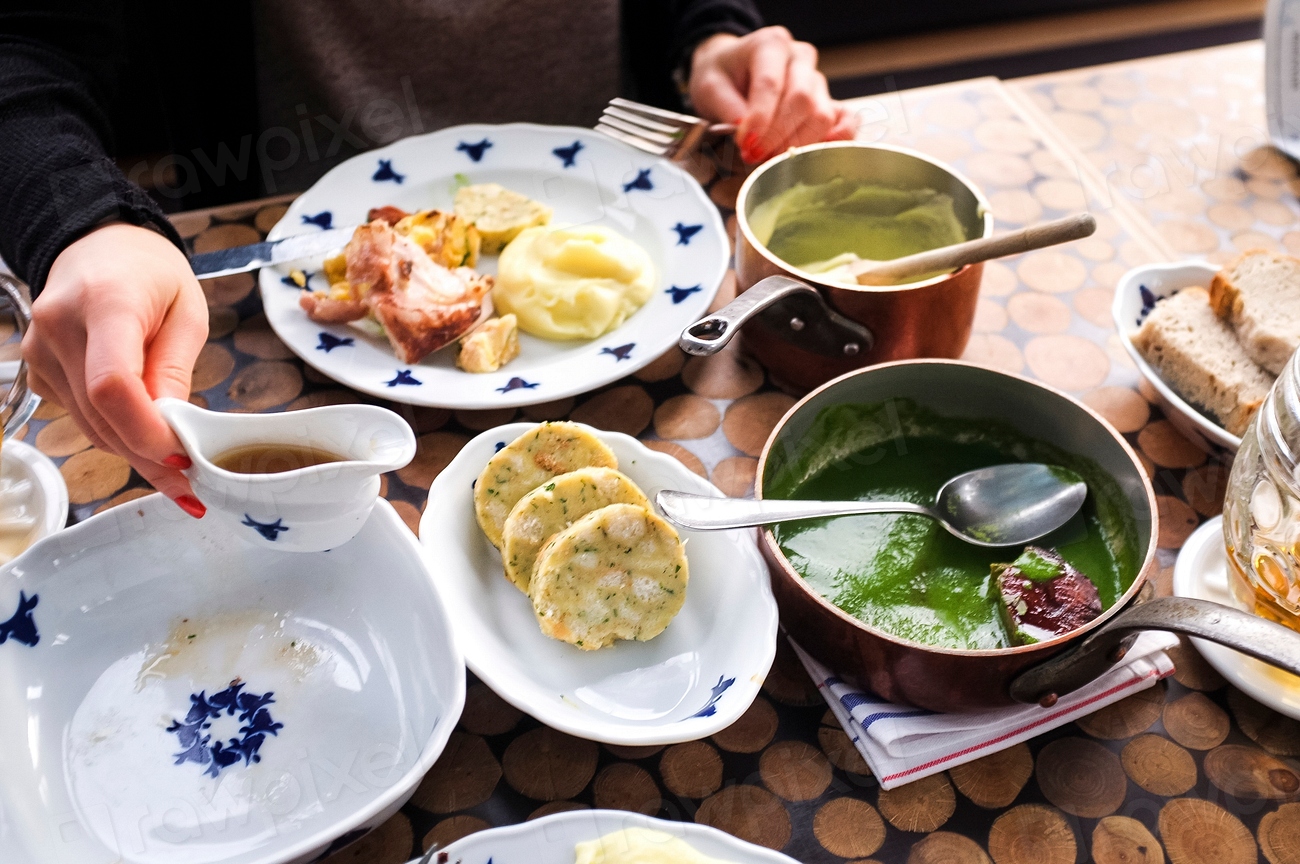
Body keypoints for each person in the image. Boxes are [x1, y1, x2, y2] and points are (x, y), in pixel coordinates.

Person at [0, 2, 856, 519]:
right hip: (275, 219)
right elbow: (27, 47)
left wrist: (711, 36)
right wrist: (83, 222)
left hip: (633, 216)